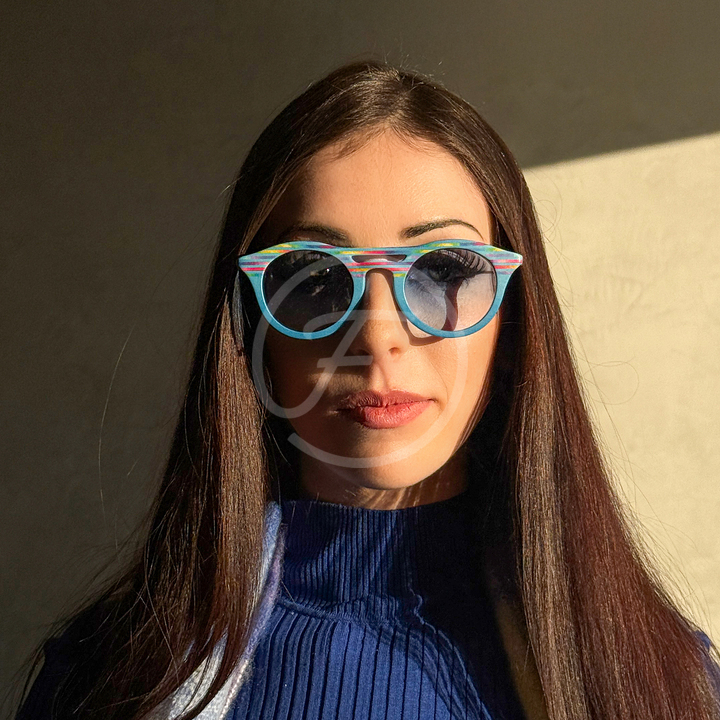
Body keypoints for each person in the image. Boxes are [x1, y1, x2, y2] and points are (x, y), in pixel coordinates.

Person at [14, 59, 720, 720]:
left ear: (514, 323)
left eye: (444, 269)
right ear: (248, 328)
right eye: (314, 276)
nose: (378, 334)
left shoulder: (664, 681)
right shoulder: (105, 680)